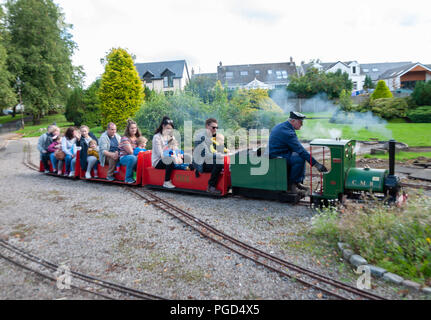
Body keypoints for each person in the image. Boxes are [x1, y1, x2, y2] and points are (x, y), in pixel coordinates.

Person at [268, 111, 328, 194]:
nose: (302, 124)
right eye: (300, 122)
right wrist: (316, 164)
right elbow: (301, 150)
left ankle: (297, 183)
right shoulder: (287, 132)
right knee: (299, 158)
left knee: (299, 156)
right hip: (277, 155)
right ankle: (291, 186)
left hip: (281, 152)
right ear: (292, 121)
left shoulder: (284, 126)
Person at [193, 118, 225, 195]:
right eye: (213, 127)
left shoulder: (209, 136)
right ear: (207, 126)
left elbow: (211, 151)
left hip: (206, 160)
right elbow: (206, 155)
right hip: (200, 163)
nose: (215, 129)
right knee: (219, 163)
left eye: (217, 128)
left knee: (225, 163)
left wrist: (220, 153)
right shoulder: (200, 137)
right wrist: (218, 155)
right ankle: (211, 187)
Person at [152, 117, 177, 189]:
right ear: (163, 126)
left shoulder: (171, 137)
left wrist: (178, 155)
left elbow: (175, 149)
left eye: (171, 129)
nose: (169, 130)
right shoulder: (157, 137)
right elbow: (160, 154)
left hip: (169, 156)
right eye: (167, 128)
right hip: (158, 161)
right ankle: (166, 181)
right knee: (170, 160)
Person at [118, 119, 142, 184]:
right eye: (132, 128)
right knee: (132, 158)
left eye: (135, 128)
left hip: (136, 156)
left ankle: (142, 177)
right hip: (124, 158)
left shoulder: (138, 138)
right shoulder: (125, 138)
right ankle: (128, 178)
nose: (134, 129)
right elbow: (130, 152)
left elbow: (142, 148)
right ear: (128, 129)